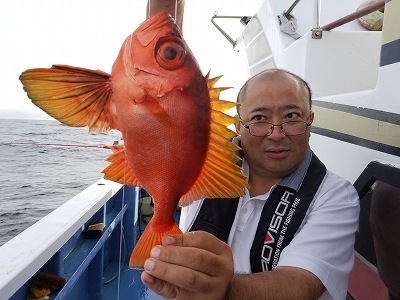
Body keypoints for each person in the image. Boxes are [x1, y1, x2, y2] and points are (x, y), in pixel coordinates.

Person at [139, 69, 360, 299]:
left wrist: (225, 291)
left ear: (310, 121)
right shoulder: (206, 164)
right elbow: (163, 129)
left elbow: (301, 284)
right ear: (238, 127)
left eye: (291, 116)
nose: (276, 133)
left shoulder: (337, 196)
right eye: (259, 118)